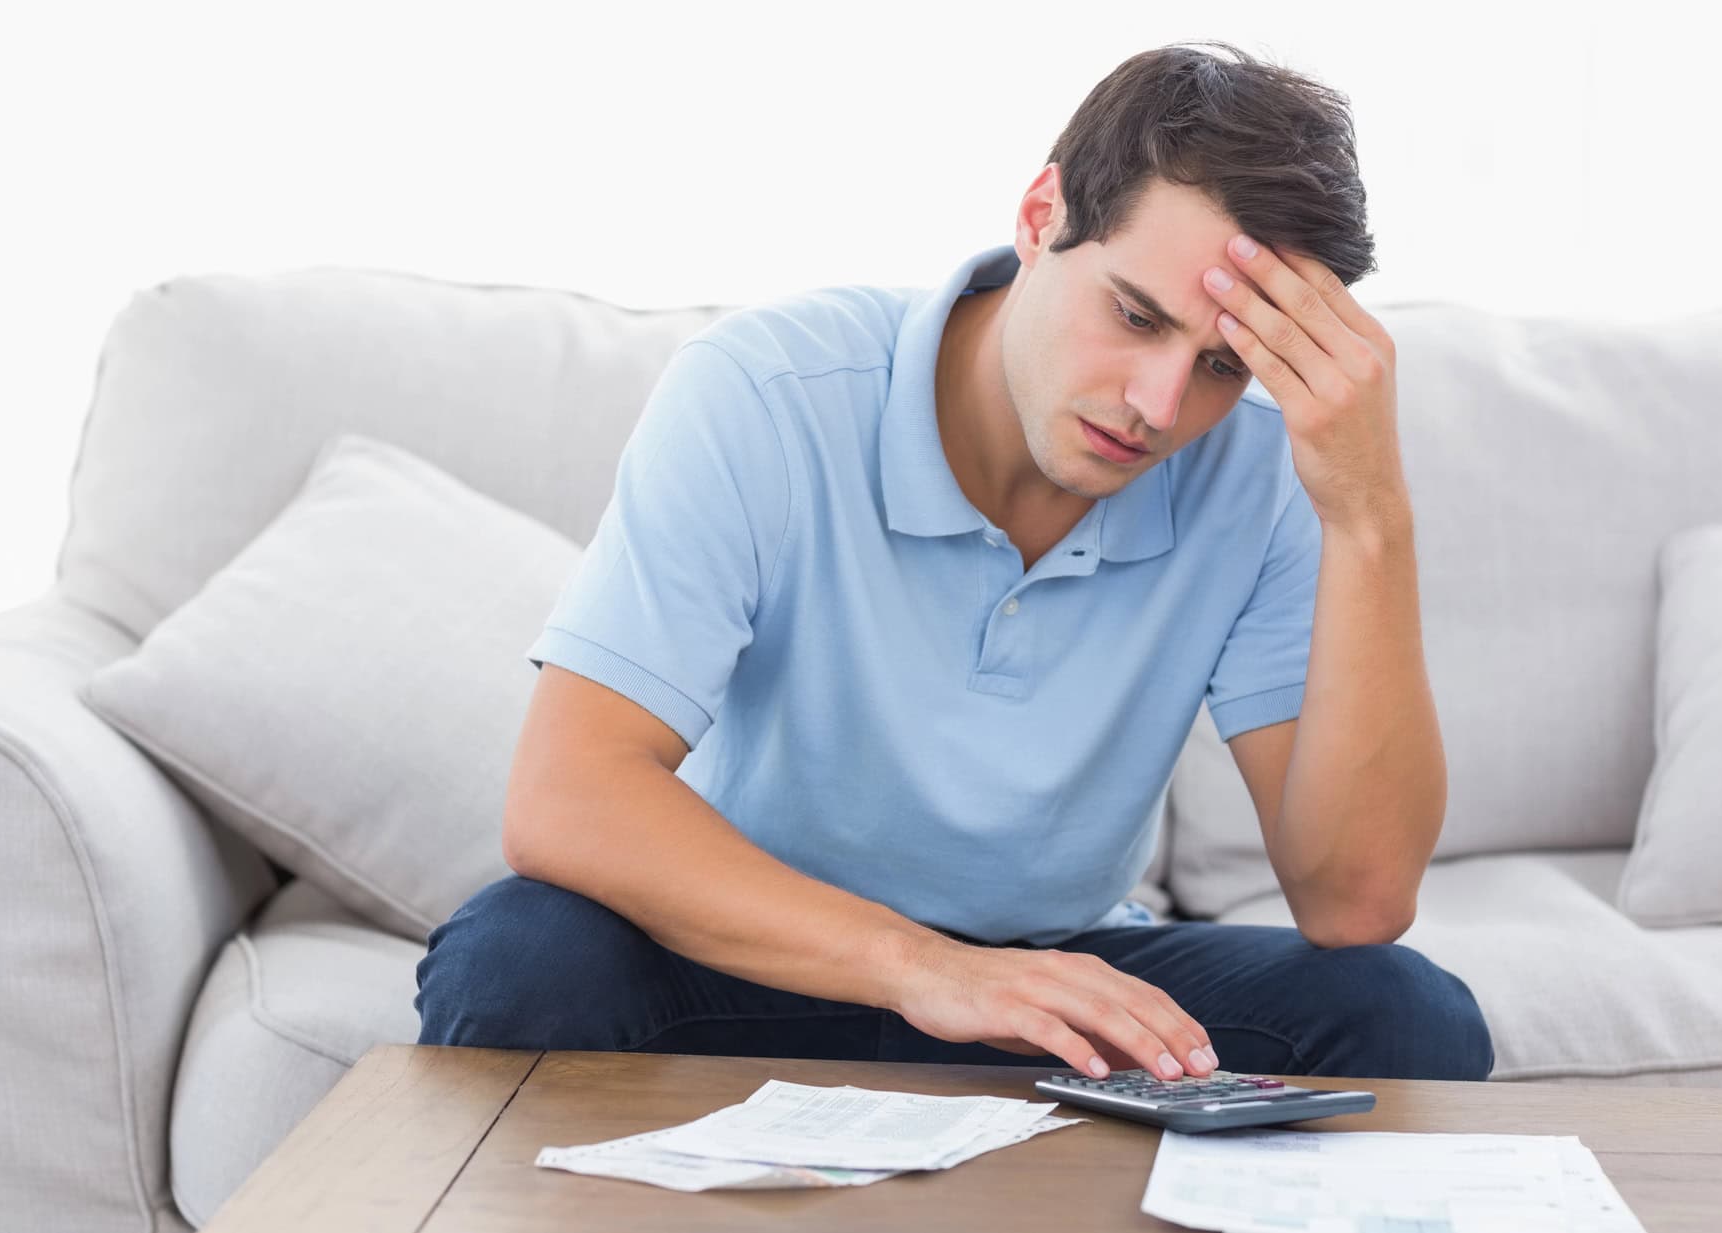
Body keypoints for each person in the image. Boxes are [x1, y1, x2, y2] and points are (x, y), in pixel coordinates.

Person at [415, 39, 1494, 1085]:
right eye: (1134, 315)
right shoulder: (765, 393)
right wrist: (925, 969)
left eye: (1219, 366)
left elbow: (1353, 905)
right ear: (1040, 216)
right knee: (519, 960)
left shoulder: (1266, 472)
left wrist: (1369, 514)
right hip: (759, 954)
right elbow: (567, 796)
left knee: (1403, 1012)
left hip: (1052, 986)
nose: (1158, 407)